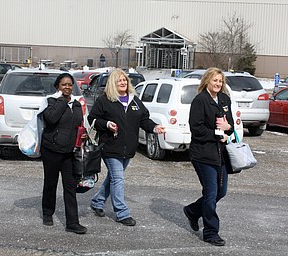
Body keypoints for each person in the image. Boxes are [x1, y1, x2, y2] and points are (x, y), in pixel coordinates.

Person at [87, 68, 165, 226]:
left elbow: (144, 120)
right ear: (113, 84)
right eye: (118, 81)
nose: (122, 83)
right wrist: (107, 124)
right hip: (110, 147)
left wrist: (155, 128)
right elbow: (92, 119)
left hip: (128, 148)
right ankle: (122, 213)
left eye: (124, 80)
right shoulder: (105, 100)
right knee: (118, 178)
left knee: (114, 179)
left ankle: (97, 202)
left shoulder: (134, 100)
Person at [183, 67, 234, 246]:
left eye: (220, 81)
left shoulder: (224, 99)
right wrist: (217, 133)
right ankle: (211, 232)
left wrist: (228, 128)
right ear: (207, 81)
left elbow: (231, 125)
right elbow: (196, 129)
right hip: (203, 154)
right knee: (211, 193)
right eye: (215, 81)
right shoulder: (200, 101)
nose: (218, 84)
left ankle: (192, 211)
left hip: (221, 154)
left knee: (221, 191)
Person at [41, 73, 87, 234]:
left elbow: (79, 123)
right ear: (57, 87)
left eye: (70, 84)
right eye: (64, 85)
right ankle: (47, 213)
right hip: (51, 150)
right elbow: (51, 119)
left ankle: (72, 223)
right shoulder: (51, 101)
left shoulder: (76, 103)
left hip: (69, 152)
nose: (67, 87)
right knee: (51, 183)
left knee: (70, 187)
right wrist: (61, 100)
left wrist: (83, 133)